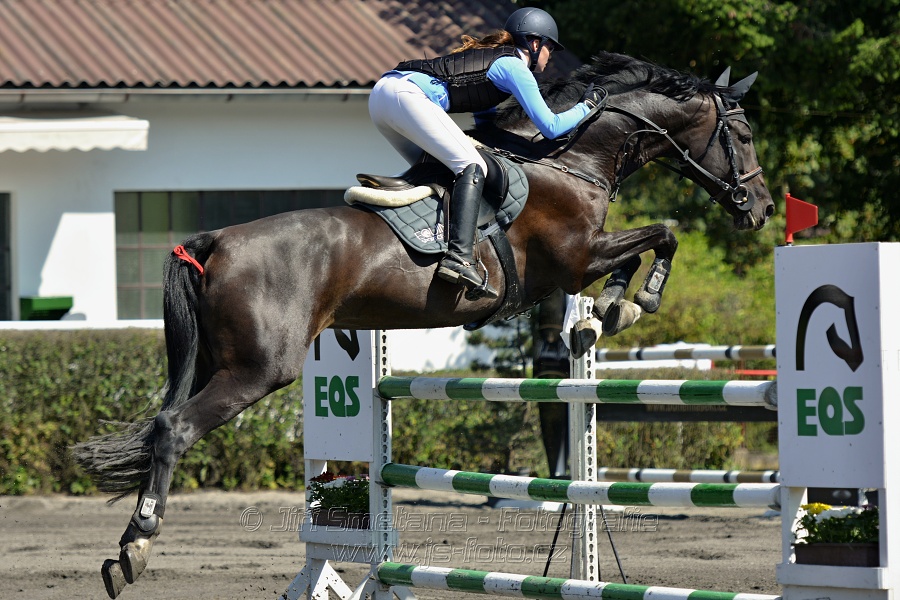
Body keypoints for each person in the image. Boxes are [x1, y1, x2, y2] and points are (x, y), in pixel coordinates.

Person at [368, 7, 603, 299]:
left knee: (439, 168)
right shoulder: (515, 66)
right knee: (471, 167)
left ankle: (415, 226)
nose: (550, 54)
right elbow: (552, 126)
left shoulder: (498, 64)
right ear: (533, 43)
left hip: (382, 97)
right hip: (406, 96)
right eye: (550, 47)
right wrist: (588, 107)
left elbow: (485, 121)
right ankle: (459, 257)